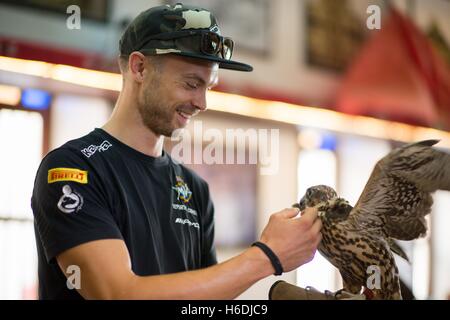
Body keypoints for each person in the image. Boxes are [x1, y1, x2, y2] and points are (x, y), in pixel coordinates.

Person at [31, 3, 322, 300]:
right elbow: (118, 294)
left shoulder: (194, 190)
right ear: (139, 67)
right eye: (191, 84)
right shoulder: (73, 171)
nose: (202, 103)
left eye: (208, 87)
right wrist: (266, 256)